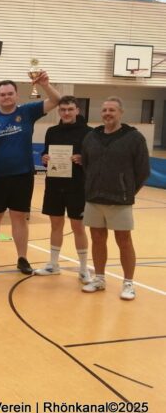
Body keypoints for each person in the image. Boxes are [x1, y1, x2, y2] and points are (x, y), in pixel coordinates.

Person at [0, 71, 61, 275]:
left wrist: (45, 84)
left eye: (10, 93)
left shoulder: (27, 111)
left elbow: (57, 101)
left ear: (16, 95)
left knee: (19, 217)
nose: (7, 97)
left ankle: (22, 258)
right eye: (3, 94)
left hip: (22, 175)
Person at [81, 97, 149, 300]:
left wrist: (127, 191)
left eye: (112, 110)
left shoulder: (134, 138)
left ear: (121, 113)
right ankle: (99, 278)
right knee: (97, 239)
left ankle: (128, 283)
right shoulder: (91, 137)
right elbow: (86, 164)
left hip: (120, 200)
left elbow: (143, 171)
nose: (107, 114)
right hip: (94, 199)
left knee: (124, 241)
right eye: (104, 110)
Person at [35, 96, 93, 282]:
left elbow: (95, 159)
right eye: (63, 110)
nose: (66, 113)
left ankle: (83, 268)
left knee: (78, 227)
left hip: (77, 186)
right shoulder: (52, 131)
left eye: (70, 109)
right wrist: (45, 158)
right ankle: (53, 264)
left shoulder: (89, 133)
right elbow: (46, 153)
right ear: (59, 111)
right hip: (54, 185)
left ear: (77, 110)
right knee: (56, 225)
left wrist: (83, 159)